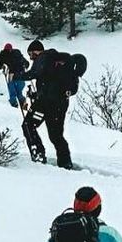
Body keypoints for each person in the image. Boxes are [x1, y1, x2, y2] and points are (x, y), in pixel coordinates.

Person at [20, 40, 80, 169]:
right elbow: (50, 82)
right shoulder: (57, 60)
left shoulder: (43, 57)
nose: (30, 58)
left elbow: (34, 73)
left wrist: (18, 76)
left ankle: (38, 154)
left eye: (30, 54)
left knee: (28, 125)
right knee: (56, 135)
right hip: (61, 103)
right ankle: (65, 163)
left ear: (36, 51)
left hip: (45, 103)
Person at [0, 42, 30, 109]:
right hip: (18, 74)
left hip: (16, 74)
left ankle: (16, 103)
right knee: (16, 91)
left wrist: (26, 64)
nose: (9, 51)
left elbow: (24, 62)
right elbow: (25, 62)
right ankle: (20, 102)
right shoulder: (7, 54)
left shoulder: (15, 53)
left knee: (14, 90)